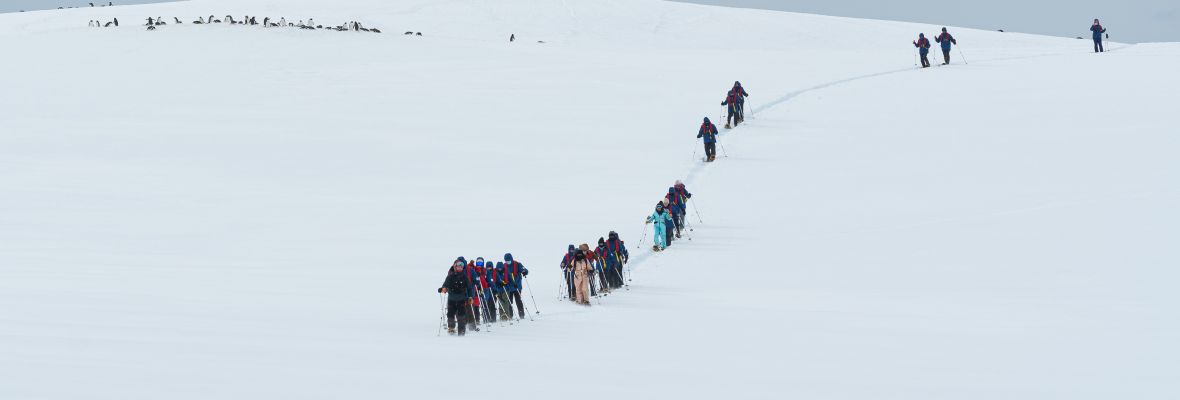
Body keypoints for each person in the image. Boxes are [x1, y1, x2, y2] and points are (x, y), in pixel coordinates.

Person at [439, 259, 471, 336]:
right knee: (450, 314)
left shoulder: (465, 276)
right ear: (455, 267)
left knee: (461, 315)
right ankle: (451, 328)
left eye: (461, 266)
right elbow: (445, 285)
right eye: (458, 266)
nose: (460, 268)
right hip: (451, 299)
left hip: (461, 299)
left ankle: (461, 331)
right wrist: (443, 289)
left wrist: (470, 297)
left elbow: (469, 288)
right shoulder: (450, 276)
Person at [503, 253, 528, 317]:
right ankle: (510, 315)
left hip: (517, 286)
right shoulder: (504, 266)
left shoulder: (517, 264)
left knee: (518, 300)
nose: (508, 262)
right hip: (509, 287)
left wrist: (524, 271)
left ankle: (521, 314)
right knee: (509, 302)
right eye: (506, 261)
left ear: (511, 259)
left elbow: (523, 269)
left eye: (509, 261)